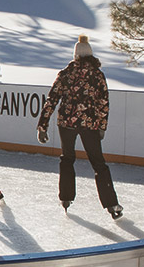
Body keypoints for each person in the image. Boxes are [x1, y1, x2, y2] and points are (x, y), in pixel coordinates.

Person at [37, 34, 122, 219]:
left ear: (75, 55)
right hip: (89, 123)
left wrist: (42, 125)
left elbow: (52, 99)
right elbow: (104, 102)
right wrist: (102, 126)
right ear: (90, 54)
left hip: (66, 123)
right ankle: (112, 204)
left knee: (67, 158)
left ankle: (66, 197)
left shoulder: (66, 73)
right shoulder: (97, 75)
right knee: (99, 163)